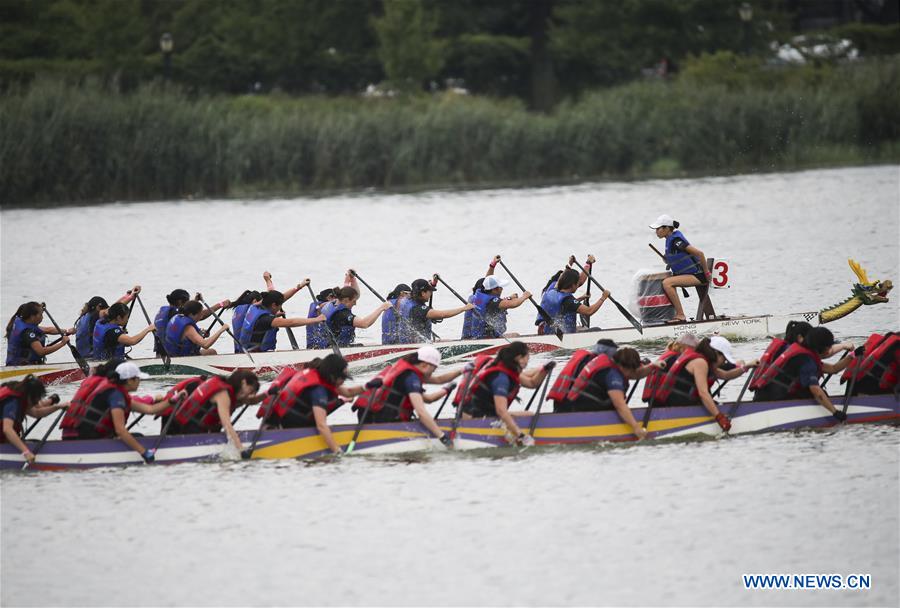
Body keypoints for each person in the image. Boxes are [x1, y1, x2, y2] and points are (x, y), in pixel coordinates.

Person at [59, 362, 170, 462]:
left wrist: (172, 400)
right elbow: (120, 430)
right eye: (138, 379)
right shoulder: (114, 394)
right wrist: (144, 452)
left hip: (72, 434)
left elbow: (149, 409)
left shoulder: (102, 386)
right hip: (85, 439)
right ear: (129, 380)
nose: (140, 381)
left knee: (136, 436)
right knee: (139, 437)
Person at [264, 355, 376, 455]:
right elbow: (321, 425)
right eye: (342, 378)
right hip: (285, 431)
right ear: (333, 375)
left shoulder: (320, 377)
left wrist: (367, 386)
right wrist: (337, 451)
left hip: (285, 424)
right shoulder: (318, 390)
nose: (343, 381)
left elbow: (348, 392)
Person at [353, 346, 461, 446]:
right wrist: (442, 437)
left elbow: (438, 382)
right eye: (434, 369)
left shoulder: (406, 370)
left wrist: (460, 373)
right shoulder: (411, 378)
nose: (433, 373)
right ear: (425, 365)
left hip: (370, 415)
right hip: (382, 419)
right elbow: (421, 413)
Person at [551, 344, 660, 439]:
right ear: (625, 367)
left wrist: (652, 366)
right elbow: (620, 405)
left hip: (573, 409)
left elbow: (635, 374)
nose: (632, 374)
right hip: (581, 416)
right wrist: (636, 428)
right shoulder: (613, 375)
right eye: (632, 370)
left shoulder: (613, 365)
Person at [458, 341, 553, 445]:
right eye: (527, 358)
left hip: (483, 413)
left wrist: (545, 369)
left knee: (530, 414)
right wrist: (520, 435)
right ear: (519, 358)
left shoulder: (507, 369)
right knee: (528, 415)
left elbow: (532, 383)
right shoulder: (501, 378)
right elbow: (501, 411)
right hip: (474, 419)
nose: (527, 361)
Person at [751, 327, 853, 420]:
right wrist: (835, 412)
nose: (830, 350)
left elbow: (833, 369)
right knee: (821, 393)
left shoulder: (801, 352)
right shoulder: (807, 361)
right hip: (775, 402)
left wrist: (852, 356)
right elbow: (816, 390)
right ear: (822, 347)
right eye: (829, 347)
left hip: (761, 398)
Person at [644, 337, 742, 431]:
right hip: (678, 408)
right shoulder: (700, 362)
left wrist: (745, 368)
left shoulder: (702, 361)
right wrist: (719, 417)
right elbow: (703, 394)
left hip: (672, 404)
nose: (724, 362)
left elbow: (726, 375)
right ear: (716, 353)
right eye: (724, 358)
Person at [168, 370, 261, 452]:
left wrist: (268, 394)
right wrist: (240, 449)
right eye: (251, 390)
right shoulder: (223, 394)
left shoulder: (231, 391)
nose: (250, 395)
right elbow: (227, 426)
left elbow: (251, 401)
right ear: (243, 383)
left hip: (197, 430)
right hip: (181, 431)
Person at [649, 214, 711, 323]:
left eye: (658, 228)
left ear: (667, 228)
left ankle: (681, 315)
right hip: (688, 274)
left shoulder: (677, 241)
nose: (656, 231)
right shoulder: (669, 240)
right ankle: (670, 315)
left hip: (698, 275)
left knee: (667, 283)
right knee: (662, 280)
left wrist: (707, 273)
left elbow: (700, 254)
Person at [1, 375, 67, 465]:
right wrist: (26, 452)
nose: (36, 402)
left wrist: (58, 407)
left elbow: (36, 413)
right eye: (36, 398)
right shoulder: (13, 402)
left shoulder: (21, 396)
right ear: (29, 394)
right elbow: (7, 429)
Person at [237, 288, 324, 352]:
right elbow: (291, 322)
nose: (280, 308)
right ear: (274, 305)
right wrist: (316, 319)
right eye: (280, 305)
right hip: (252, 356)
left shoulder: (254, 306)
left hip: (243, 351)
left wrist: (299, 287)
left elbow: (281, 297)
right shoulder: (265, 319)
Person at [538, 266, 609, 335]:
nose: (578, 286)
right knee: (597, 330)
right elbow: (589, 311)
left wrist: (581, 298)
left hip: (545, 331)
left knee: (582, 328)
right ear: (572, 285)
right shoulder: (568, 300)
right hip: (561, 336)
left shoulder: (551, 291)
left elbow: (564, 307)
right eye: (577, 284)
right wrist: (603, 298)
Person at [398, 279, 473, 343]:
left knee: (445, 340)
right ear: (423, 293)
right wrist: (464, 308)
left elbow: (419, 288)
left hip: (412, 341)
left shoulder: (409, 299)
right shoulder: (418, 309)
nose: (430, 294)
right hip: (417, 346)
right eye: (429, 291)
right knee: (446, 342)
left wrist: (433, 283)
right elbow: (443, 314)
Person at [460, 271, 531, 339]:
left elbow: (488, 280)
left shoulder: (479, 294)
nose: (502, 289)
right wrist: (524, 296)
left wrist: (492, 265)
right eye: (500, 287)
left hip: (475, 335)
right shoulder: (491, 302)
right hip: (484, 338)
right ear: (494, 289)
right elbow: (513, 304)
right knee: (516, 335)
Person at [74, 286, 139, 358]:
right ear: (98, 307)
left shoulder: (84, 317)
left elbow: (113, 308)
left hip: (82, 356)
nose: (107, 313)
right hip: (90, 357)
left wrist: (127, 296)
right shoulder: (95, 317)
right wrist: (131, 297)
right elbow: (111, 310)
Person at [320, 286, 392, 348]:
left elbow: (351, 293)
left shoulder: (333, 302)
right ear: (346, 300)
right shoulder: (342, 314)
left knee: (373, 344)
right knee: (374, 346)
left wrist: (352, 279)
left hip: (327, 344)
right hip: (337, 348)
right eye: (354, 301)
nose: (355, 304)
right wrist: (382, 308)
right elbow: (364, 324)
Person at [5, 302, 74, 366]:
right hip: (21, 368)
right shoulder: (27, 332)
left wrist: (66, 331)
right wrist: (62, 343)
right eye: (40, 315)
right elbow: (41, 351)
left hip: (18, 364)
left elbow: (48, 330)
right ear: (32, 316)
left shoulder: (22, 321)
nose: (42, 317)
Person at [91, 302, 156, 360]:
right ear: (119, 318)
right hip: (109, 365)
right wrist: (148, 329)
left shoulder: (100, 321)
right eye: (126, 317)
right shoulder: (112, 332)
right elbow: (132, 341)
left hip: (98, 359)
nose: (127, 320)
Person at [164, 301, 230, 356]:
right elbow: (205, 345)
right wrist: (221, 330)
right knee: (211, 352)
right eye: (200, 314)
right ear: (192, 314)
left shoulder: (179, 316)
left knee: (212, 352)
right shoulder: (188, 328)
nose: (201, 317)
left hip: (172, 355)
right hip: (184, 359)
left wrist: (200, 333)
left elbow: (185, 336)